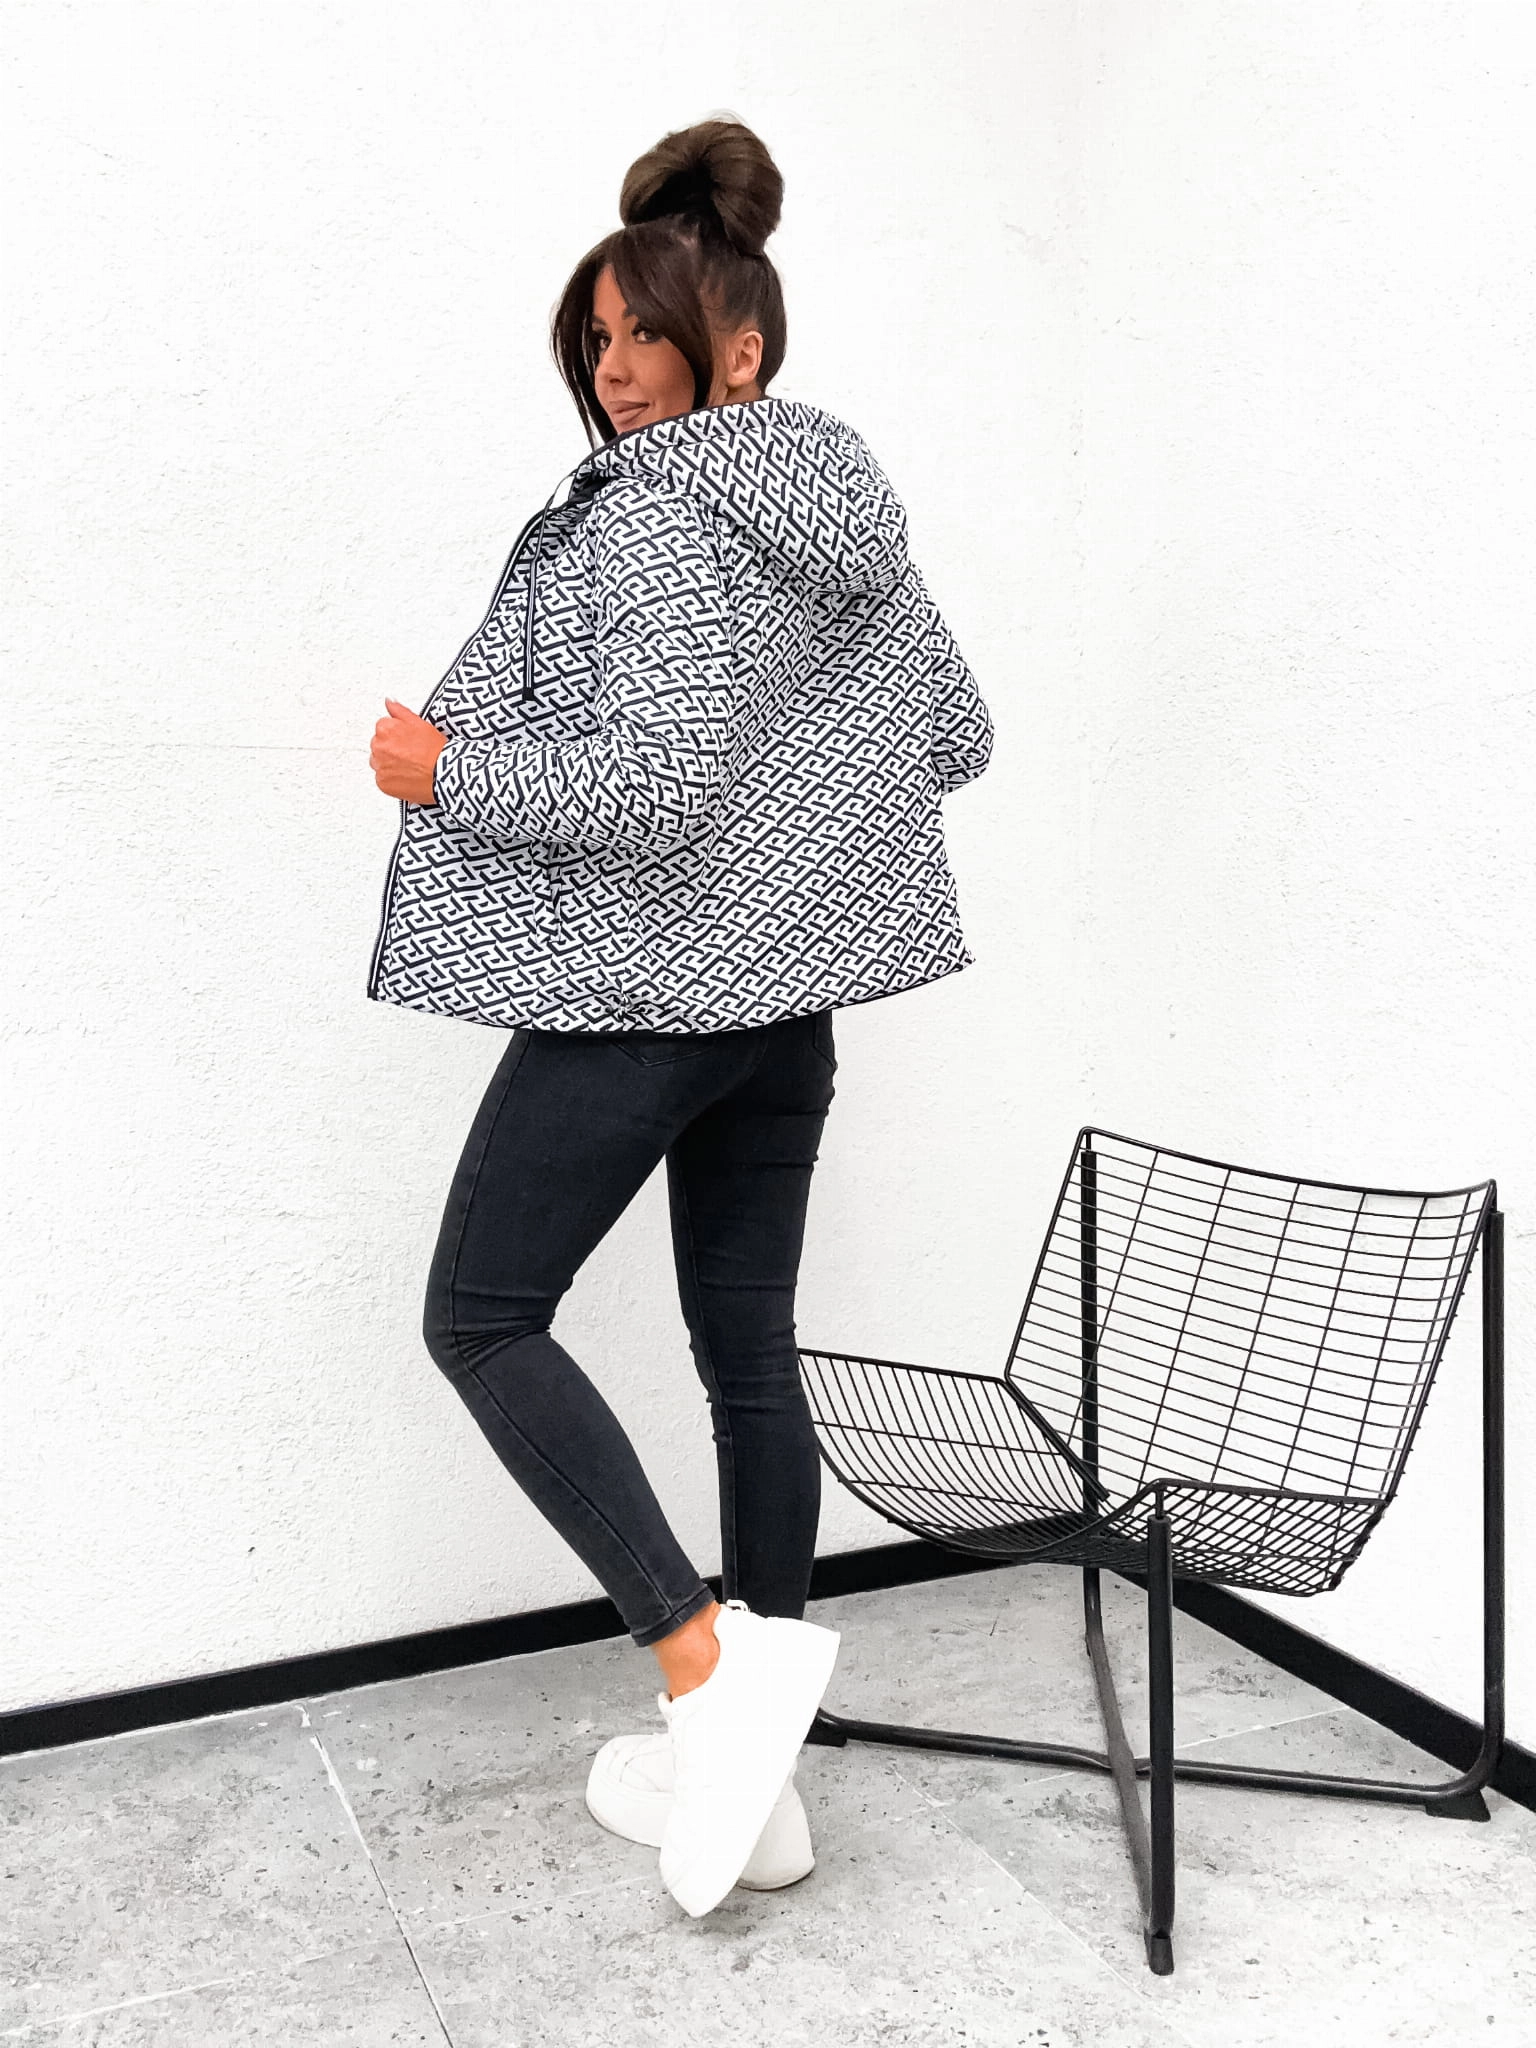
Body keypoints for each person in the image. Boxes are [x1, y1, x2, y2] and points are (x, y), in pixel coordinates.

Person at [366, 115, 994, 1918]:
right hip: (787, 1012)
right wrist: (799, 813)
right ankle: (761, 1782)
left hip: (644, 996)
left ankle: (707, 1667)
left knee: (481, 1317)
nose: (614, 370)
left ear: (742, 346)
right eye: (595, 337)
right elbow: (953, 735)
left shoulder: (651, 512)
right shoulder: (850, 526)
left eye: (647, 332)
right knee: (750, 1360)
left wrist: (444, 769)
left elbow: (651, 788)